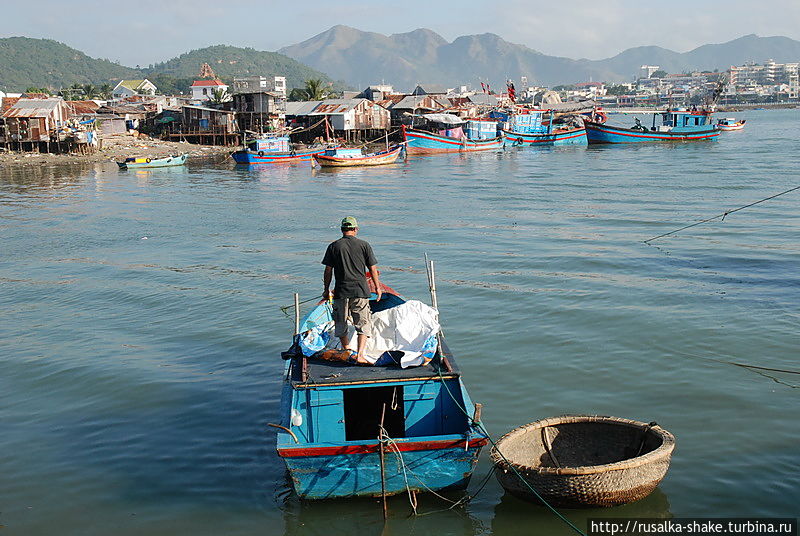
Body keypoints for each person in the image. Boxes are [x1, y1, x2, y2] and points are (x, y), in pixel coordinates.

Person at [322, 216, 382, 364]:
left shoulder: (333, 246)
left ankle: (347, 350)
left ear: (342, 230)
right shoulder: (364, 245)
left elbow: (328, 271)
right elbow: (373, 269)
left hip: (341, 291)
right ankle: (360, 354)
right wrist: (378, 287)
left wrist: (326, 289)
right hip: (360, 290)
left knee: (340, 321)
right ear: (355, 229)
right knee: (362, 322)